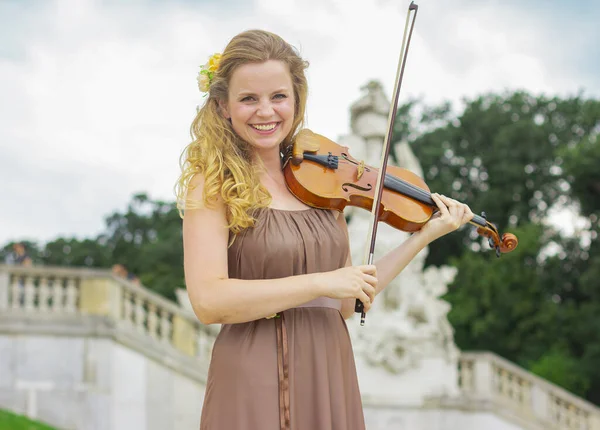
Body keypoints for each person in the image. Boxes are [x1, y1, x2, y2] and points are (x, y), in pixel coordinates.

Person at [175, 29, 474, 430]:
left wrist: (423, 236)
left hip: (329, 368)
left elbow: (349, 297)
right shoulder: (213, 184)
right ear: (224, 107)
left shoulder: (320, 181)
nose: (266, 111)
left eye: (278, 96)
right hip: (255, 370)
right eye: (249, 98)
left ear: (296, 101)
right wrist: (322, 281)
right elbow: (210, 301)